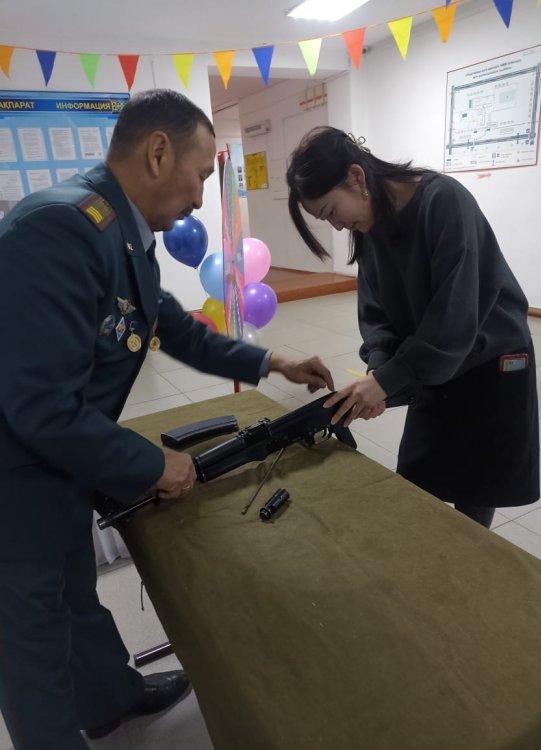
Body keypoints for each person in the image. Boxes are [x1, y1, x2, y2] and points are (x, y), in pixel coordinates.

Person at [0, 90, 334, 749]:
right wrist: (151, 463)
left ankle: (108, 699)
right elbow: (39, 404)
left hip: (56, 460)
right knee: (30, 636)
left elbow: (175, 329)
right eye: (201, 174)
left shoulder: (120, 230)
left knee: (73, 589)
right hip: (14, 476)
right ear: (158, 153)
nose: (201, 199)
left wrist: (273, 361)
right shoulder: (60, 230)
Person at [286, 126, 539, 530]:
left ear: (356, 177)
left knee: (475, 497)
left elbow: (455, 318)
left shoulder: (444, 201)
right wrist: (380, 373)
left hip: (491, 362)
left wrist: (388, 380)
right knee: (418, 481)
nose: (337, 226)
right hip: (432, 363)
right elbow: (376, 314)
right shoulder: (370, 226)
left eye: (331, 211)